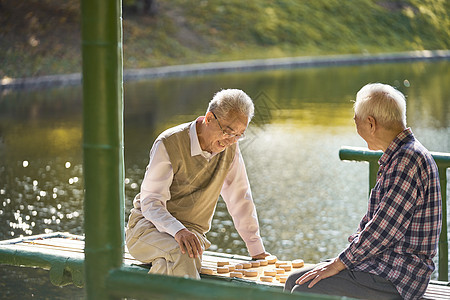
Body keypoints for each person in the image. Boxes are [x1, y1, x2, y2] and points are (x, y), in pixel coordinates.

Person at [285, 83, 441, 299]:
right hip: (380, 266)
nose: (354, 125)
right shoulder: (398, 156)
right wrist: (342, 261)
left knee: (306, 289)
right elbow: (373, 223)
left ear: (370, 123)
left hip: (398, 276)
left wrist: (341, 263)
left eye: (355, 119)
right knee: (295, 280)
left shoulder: (407, 159)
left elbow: (384, 230)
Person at [125, 89, 269, 279]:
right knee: (183, 253)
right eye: (228, 131)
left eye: (239, 135)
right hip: (146, 230)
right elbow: (151, 202)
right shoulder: (169, 143)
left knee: (169, 263)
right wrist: (179, 231)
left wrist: (257, 250)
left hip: (191, 237)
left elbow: (240, 199)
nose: (230, 140)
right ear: (209, 118)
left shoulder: (231, 148)